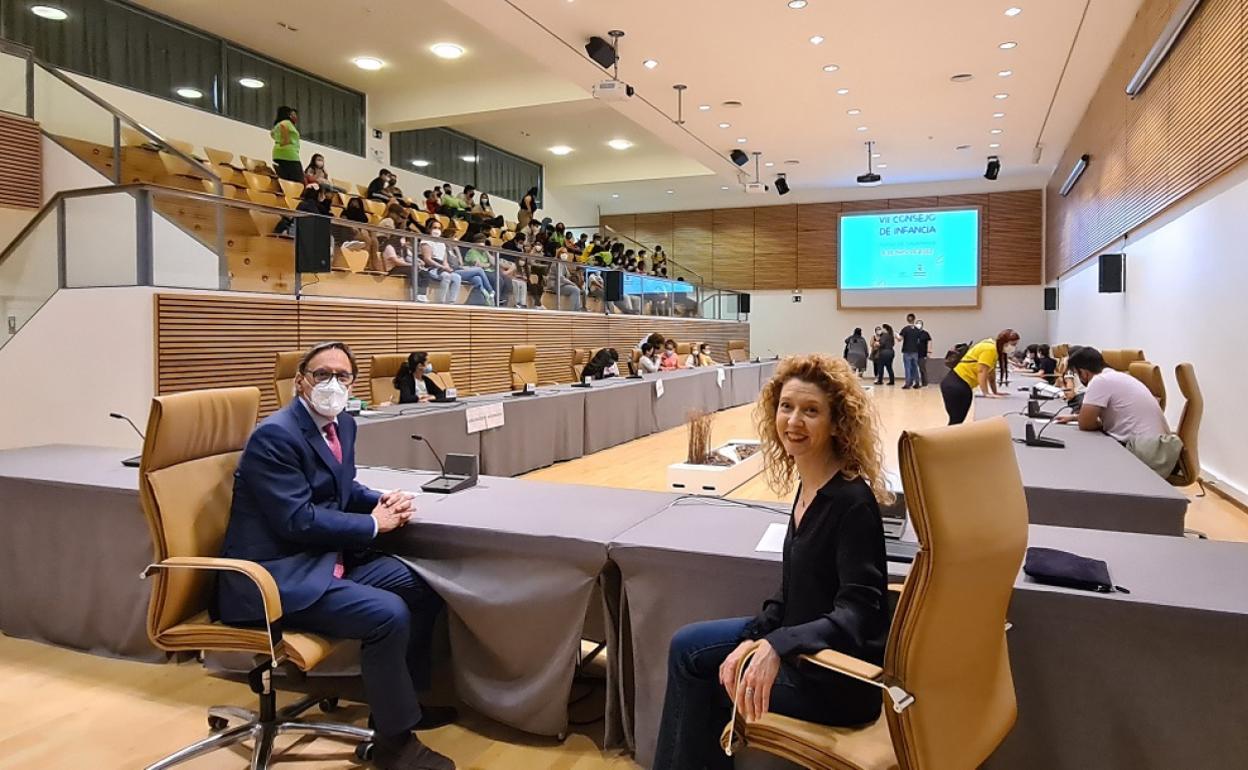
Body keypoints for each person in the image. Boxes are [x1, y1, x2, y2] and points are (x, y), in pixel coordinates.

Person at [217, 341, 457, 770]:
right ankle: (394, 744)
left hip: (322, 559)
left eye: (342, 376)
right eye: (321, 374)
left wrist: (380, 500)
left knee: (423, 589)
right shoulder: (276, 435)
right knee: (387, 615)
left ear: (352, 383)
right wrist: (373, 524)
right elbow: (297, 520)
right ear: (300, 381)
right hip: (275, 578)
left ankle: (403, 706)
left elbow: (340, 490)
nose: (332, 384)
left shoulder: (342, 423)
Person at [653, 354, 892, 770]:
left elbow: (859, 612)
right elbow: (795, 587)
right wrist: (760, 633)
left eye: (811, 411)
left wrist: (776, 645)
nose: (793, 421)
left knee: (705, 671)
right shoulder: (810, 486)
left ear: (837, 423)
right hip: (798, 643)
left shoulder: (852, 502)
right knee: (685, 645)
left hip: (835, 678)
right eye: (786, 407)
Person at [1056, 347, 1181, 476]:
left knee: (1086, 455)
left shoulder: (1099, 381)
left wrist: (1089, 421)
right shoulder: (1116, 376)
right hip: (1161, 448)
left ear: (1083, 373)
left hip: (1146, 452)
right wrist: (1074, 418)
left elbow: (1085, 424)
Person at [942, 329, 1019, 425]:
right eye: (1013, 344)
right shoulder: (990, 349)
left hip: (959, 384)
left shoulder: (993, 349)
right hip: (956, 384)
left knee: (957, 421)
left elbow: (991, 374)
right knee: (956, 420)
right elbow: (982, 371)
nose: (1014, 347)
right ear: (1005, 343)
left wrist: (995, 391)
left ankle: (952, 438)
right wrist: (986, 393)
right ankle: (950, 438)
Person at [416, 239, 463, 304]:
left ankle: (452, 301)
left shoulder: (442, 244)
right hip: (431, 268)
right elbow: (427, 259)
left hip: (442, 268)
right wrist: (442, 267)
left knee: (457, 277)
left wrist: (447, 268)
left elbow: (445, 261)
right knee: (446, 276)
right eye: (435, 228)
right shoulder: (426, 241)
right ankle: (441, 301)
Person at [340, 197, 380, 271]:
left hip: (362, 232)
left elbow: (367, 224)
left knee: (374, 241)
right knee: (366, 238)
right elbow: (343, 222)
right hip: (350, 233)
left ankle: (373, 262)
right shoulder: (345, 212)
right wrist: (354, 228)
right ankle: (364, 263)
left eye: (356, 202)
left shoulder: (363, 215)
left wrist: (372, 233)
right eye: (353, 202)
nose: (354, 204)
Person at [270, 106, 302, 183]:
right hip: (289, 154)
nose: (295, 116)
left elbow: (272, 134)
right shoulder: (286, 123)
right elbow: (285, 137)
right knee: (299, 180)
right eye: (292, 114)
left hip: (277, 153)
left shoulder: (276, 125)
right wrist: (286, 141)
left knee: (286, 180)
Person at [899, 314, 924, 390]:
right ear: (914, 319)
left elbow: (900, 338)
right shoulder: (917, 330)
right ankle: (917, 383)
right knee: (915, 367)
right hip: (915, 351)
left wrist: (896, 336)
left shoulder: (905, 329)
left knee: (907, 368)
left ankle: (908, 383)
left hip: (907, 351)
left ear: (907, 319)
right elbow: (919, 340)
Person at [916, 320, 932, 387]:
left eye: (919, 324)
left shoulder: (925, 333)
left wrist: (929, 351)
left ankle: (924, 383)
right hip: (914, 353)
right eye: (917, 324)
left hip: (922, 354)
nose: (918, 325)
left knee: (922, 369)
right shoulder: (913, 333)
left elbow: (929, 342)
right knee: (913, 369)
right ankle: (915, 382)